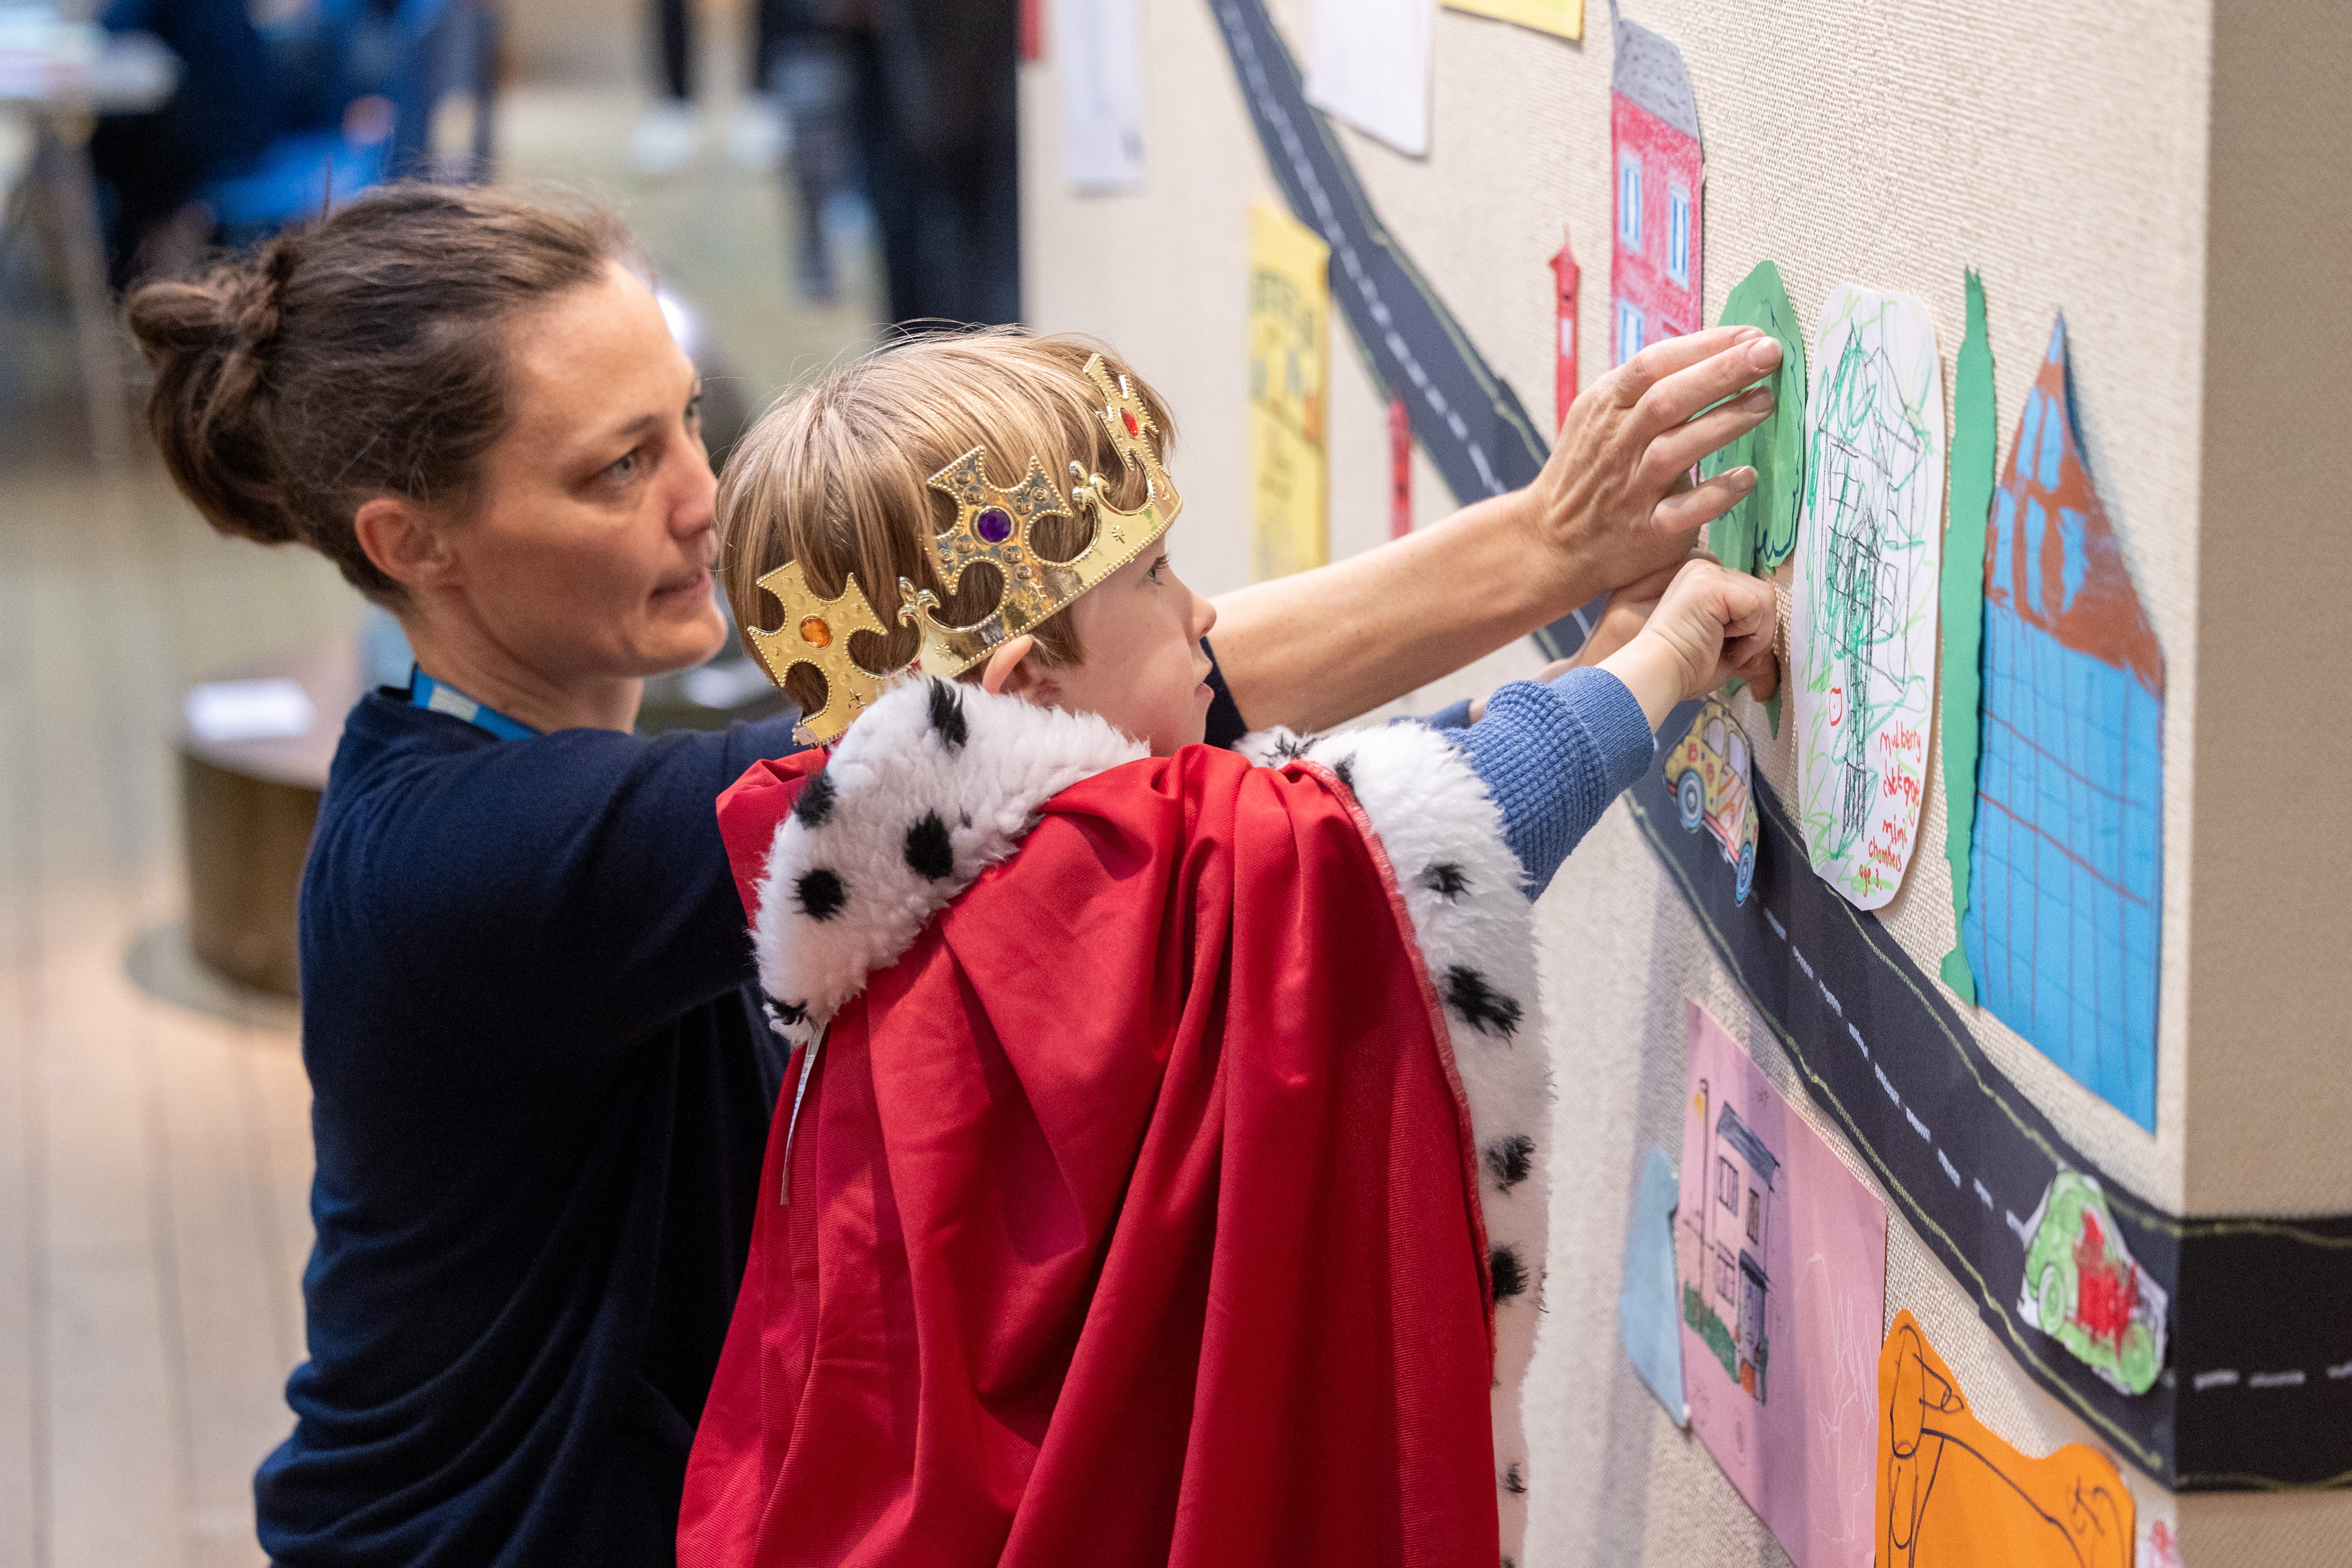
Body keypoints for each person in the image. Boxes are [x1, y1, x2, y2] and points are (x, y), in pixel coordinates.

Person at [123, 181, 1779, 1566]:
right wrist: (1560, 571)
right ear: (409, 540)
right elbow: (1131, 764)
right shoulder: (481, 861)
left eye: (687, 420)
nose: (701, 501)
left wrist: (1559, 574)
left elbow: (1104, 707)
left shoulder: (574, 790)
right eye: (616, 469)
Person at [676, 332, 1778, 1567]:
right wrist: (1668, 660)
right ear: (1028, 685)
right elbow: (1377, 860)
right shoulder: (1078, 900)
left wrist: (1587, 667)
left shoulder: (910, 901)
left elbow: (1302, 815)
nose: (1206, 614)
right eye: (1153, 575)